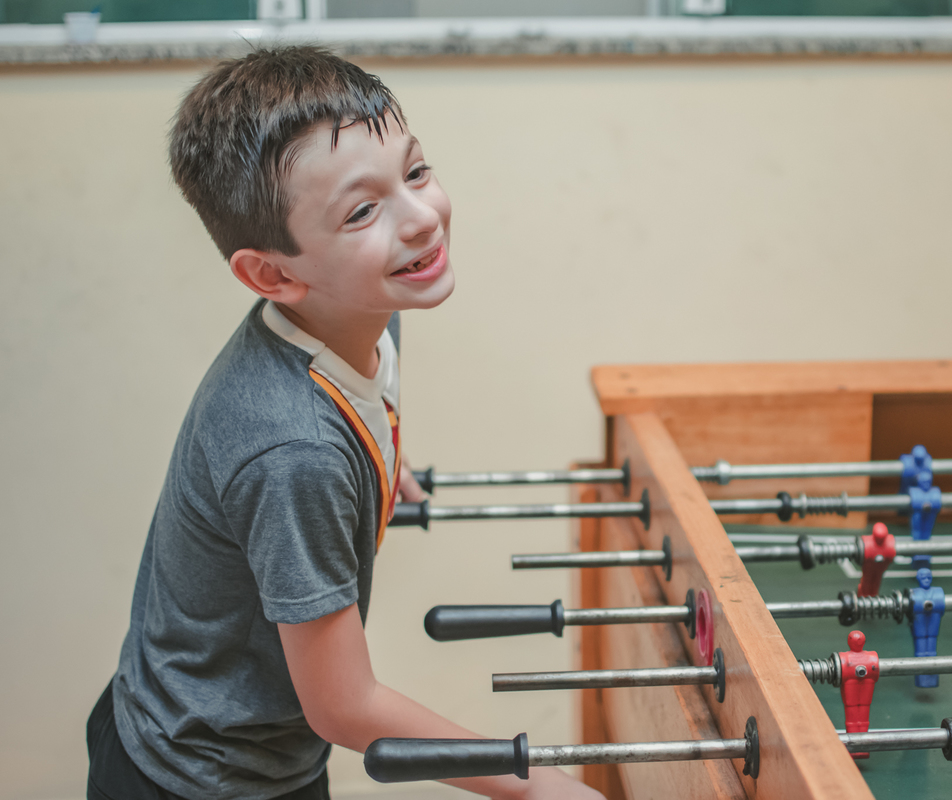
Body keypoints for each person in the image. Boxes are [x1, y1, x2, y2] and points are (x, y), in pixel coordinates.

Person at [85, 46, 603, 800]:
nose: (422, 219)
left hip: (262, 750)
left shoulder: (365, 307)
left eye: (416, 172)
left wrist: (384, 453)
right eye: (364, 211)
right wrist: (534, 784)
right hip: (200, 777)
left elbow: (364, 392)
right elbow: (346, 706)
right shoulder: (293, 451)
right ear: (274, 273)